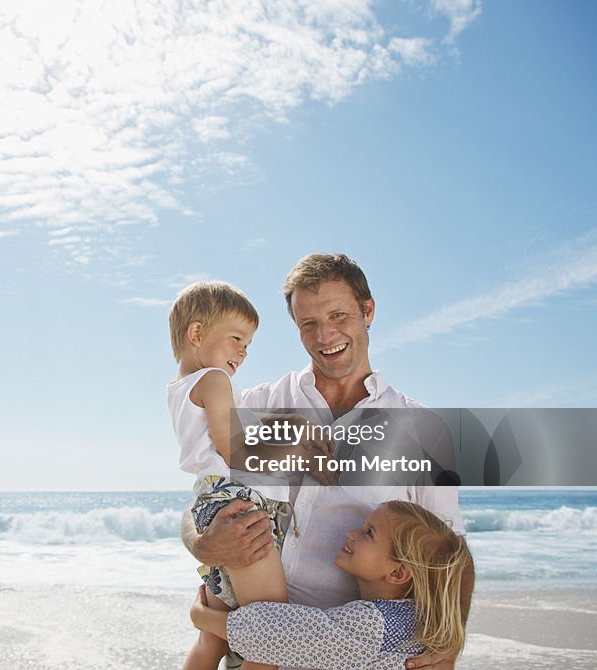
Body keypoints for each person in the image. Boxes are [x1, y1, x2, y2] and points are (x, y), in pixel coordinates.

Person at [181, 253, 474, 670]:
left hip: (342, 653)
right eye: (309, 324)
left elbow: (451, 551)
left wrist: (450, 642)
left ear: (367, 311)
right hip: (247, 642)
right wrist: (200, 542)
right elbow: (207, 491)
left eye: (339, 315)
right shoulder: (260, 404)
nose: (326, 335)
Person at [167, 280, 293, 670]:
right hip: (240, 506)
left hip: (214, 503)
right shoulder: (215, 380)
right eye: (237, 338)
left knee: (213, 641)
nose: (243, 352)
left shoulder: (180, 388)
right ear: (197, 333)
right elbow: (235, 450)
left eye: (248, 345)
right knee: (270, 639)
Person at [189, 500, 472, 669]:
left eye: (368, 533)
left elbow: (273, 633)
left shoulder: (371, 625)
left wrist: (203, 617)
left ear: (398, 573)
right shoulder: (415, 622)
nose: (351, 532)